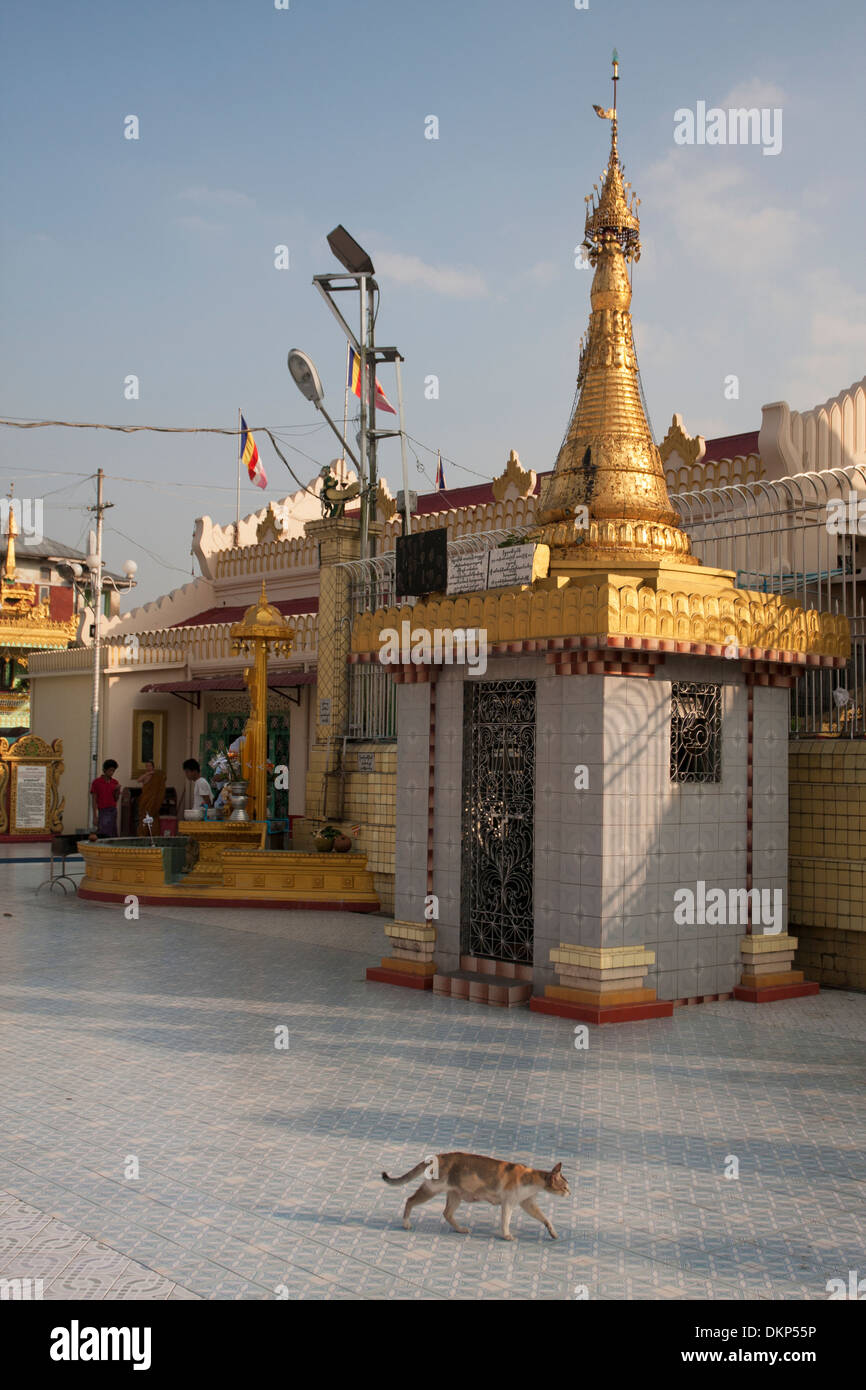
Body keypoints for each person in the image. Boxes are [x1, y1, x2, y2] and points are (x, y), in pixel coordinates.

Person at [90, 759, 120, 837]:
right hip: (103, 810)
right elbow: (94, 799)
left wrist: (117, 790)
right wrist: (94, 816)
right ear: (104, 770)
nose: (112, 773)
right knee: (104, 833)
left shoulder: (115, 782)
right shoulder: (97, 782)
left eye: (113, 771)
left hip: (113, 810)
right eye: (110, 770)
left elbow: (116, 799)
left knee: (112, 833)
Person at [137, 759, 166, 834]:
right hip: (145, 801)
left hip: (154, 802)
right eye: (146, 766)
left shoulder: (157, 776)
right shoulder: (145, 776)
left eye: (150, 766)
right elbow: (139, 780)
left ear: (153, 767)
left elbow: (161, 787)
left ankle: (154, 834)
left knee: (153, 817)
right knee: (144, 817)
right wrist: (147, 774)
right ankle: (143, 834)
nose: (148, 767)